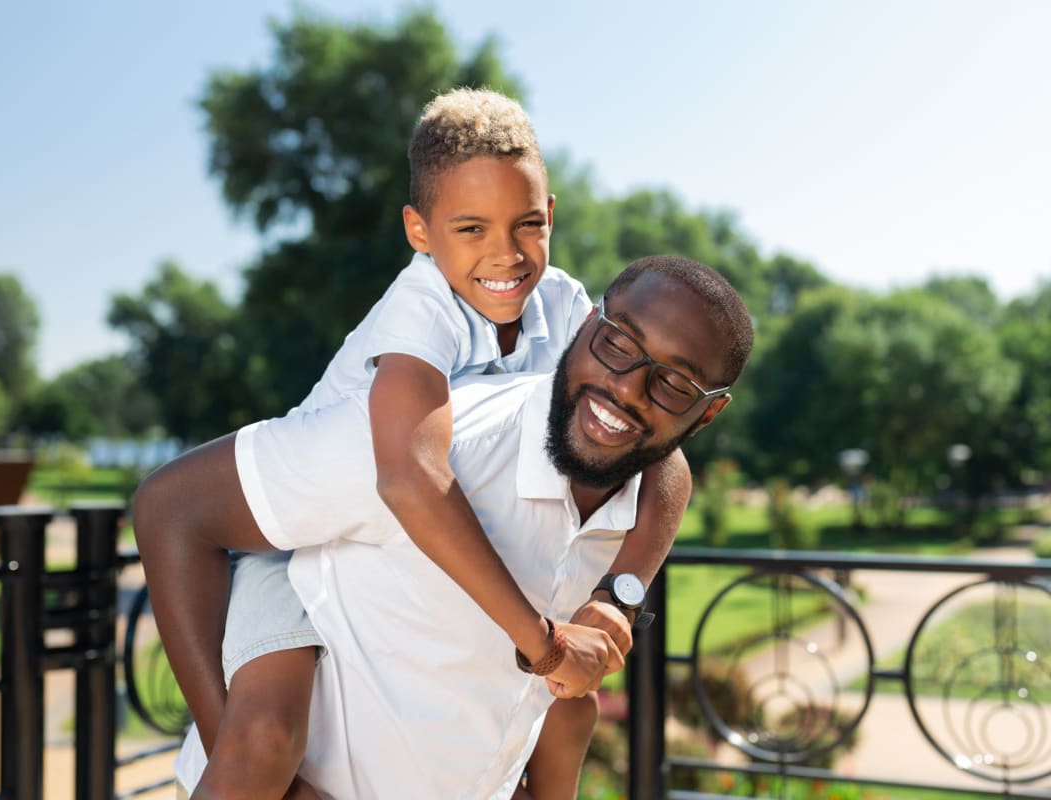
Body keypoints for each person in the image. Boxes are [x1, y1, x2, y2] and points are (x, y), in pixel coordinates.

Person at [135, 88, 690, 800]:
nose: (506, 255)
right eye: (470, 229)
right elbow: (409, 477)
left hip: (387, 564)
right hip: (294, 548)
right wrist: (545, 639)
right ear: (419, 231)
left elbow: (664, 460)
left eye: (526, 224)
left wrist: (616, 600)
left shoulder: (562, 304)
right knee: (264, 739)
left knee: (567, 712)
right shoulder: (423, 308)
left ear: (551, 214)